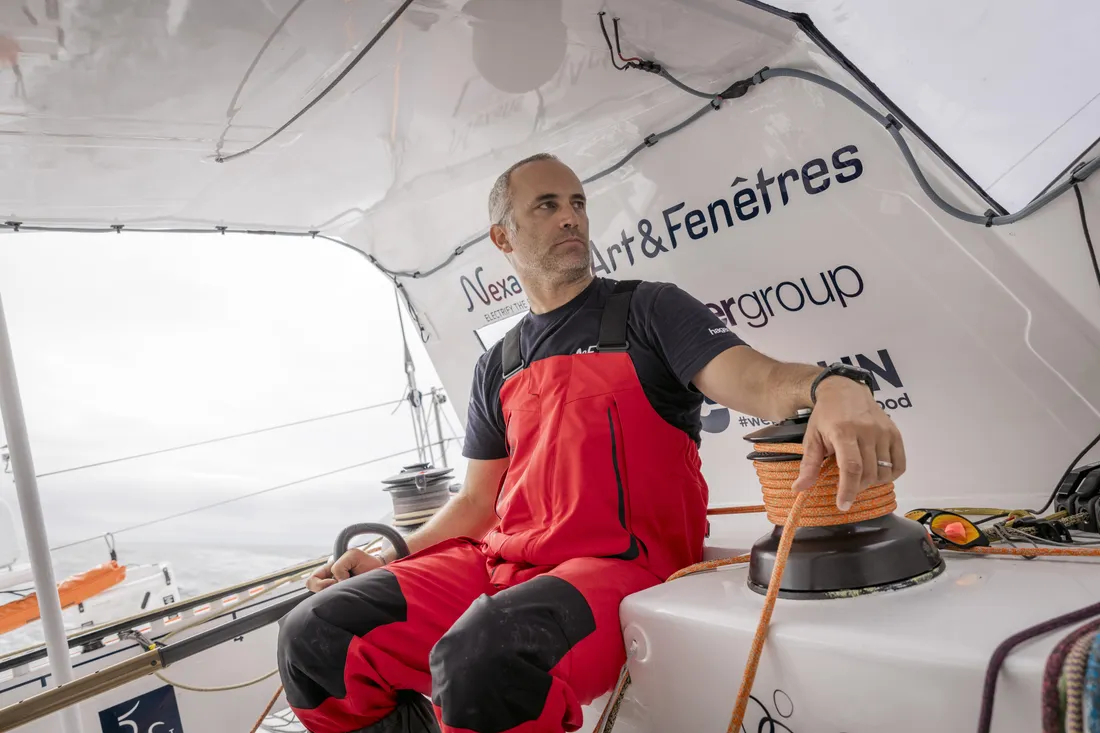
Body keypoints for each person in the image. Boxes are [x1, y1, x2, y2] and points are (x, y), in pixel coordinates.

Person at [277, 153, 905, 733]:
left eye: (577, 203)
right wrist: (395, 556)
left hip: (620, 568)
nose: (570, 217)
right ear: (503, 237)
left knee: (487, 653)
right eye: (546, 205)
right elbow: (476, 502)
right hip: (499, 565)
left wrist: (832, 386)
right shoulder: (499, 362)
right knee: (316, 633)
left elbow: (760, 380)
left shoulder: (651, 310)